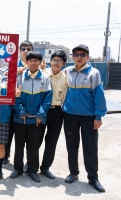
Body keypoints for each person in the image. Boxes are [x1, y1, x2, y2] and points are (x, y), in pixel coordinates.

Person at [62, 44, 107, 192]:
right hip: (70, 116)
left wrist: (98, 116)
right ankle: (73, 172)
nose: (79, 57)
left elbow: (99, 96)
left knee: (90, 147)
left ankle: (93, 177)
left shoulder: (94, 73)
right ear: (72, 57)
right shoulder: (67, 71)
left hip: (89, 117)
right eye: (76, 54)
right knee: (71, 146)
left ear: (87, 57)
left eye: (82, 54)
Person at [12, 51, 52, 182]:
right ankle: (17, 168)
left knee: (33, 146)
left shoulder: (45, 78)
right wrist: (21, 112)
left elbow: (47, 98)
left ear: (40, 62)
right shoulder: (20, 77)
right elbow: (15, 96)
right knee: (19, 145)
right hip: (20, 118)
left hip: (36, 120)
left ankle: (32, 170)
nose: (33, 63)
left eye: (36, 60)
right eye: (30, 60)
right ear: (27, 62)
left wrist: (40, 114)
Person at [4, 40, 34, 165]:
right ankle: (5, 155)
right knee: (9, 131)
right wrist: (14, 72)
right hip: (12, 104)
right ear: (19, 51)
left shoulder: (37, 65)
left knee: (28, 136)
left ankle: (29, 161)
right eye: (23, 49)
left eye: (29, 49)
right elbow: (4, 81)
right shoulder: (12, 65)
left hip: (30, 104)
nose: (26, 51)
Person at [39, 50, 67, 179]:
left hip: (56, 111)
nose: (56, 63)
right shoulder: (43, 73)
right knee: (35, 140)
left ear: (64, 63)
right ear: (50, 61)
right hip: (41, 111)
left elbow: (66, 98)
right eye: (54, 60)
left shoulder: (65, 79)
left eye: (59, 61)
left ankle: (45, 168)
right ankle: (31, 164)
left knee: (51, 142)